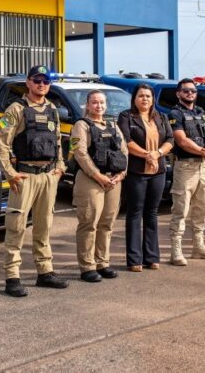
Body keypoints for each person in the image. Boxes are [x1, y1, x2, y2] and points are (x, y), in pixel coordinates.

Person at [0, 65, 68, 298]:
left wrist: (60, 166)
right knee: (16, 227)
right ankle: (12, 277)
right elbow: (1, 145)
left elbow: (57, 141)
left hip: (48, 177)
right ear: (28, 82)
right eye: (37, 80)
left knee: (44, 225)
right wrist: (10, 173)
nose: (41, 84)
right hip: (24, 178)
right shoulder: (15, 109)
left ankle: (45, 271)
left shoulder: (53, 110)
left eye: (45, 81)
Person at [70, 90, 128, 283]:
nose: (99, 106)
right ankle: (87, 266)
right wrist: (98, 176)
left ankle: (102, 262)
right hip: (91, 179)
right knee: (89, 223)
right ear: (87, 105)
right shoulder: (81, 125)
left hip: (113, 180)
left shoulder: (112, 125)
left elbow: (123, 150)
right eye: (95, 102)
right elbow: (80, 153)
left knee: (107, 223)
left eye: (102, 102)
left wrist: (121, 174)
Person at [118, 83, 174, 272]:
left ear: (153, 99)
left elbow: (170, 140)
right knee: (135, 213)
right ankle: (134, 260)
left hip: (157, 171)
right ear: (134, 98)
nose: (145, 99)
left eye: (148, 96)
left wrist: (157, 154)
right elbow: (126, 141)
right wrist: (146, 155)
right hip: (137, 172)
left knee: (151, 213)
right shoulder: (126, 116)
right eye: (141, 96)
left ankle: (152, 257)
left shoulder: (161, 117)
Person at [168, 78, 205, 265]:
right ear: (178, 93)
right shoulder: (175, 113)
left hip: (204, 167)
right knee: (180, 209)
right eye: (185, 91)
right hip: (186, 167)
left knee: (202, 208)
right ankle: (176, 250)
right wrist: (203, 151)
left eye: (192, 91)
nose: (190, 93)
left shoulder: (203, 113)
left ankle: (198, 246)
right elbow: (181, 140)